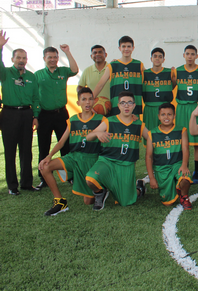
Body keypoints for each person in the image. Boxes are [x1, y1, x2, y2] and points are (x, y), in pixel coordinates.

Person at [38, 87, 106, 215]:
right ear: (78, 103)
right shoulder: (73, 120)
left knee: (88, 201)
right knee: (45, 167)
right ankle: (60, 202)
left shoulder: (101, 119)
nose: (87, 102)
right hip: (73, 157)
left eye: (90, 99)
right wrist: (49, 156)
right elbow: (61, 142)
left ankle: (101, 188)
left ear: (94, 101)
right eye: (84, 99)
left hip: (91, 159)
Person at [85, 91, 149, 210]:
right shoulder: (109, 121)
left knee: (126, 202)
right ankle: (101, 192)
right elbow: (88, 137)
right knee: (90, 179)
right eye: (123, 103)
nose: (126, 106)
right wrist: (97, 133)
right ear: (118, 105)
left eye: (129, 103)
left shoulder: (138, 124)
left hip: (126, 165)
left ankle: (139, 189)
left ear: (134, 105)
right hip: (107, 161)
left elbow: (151, 139)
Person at [0, 30, 40, 195]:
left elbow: (36, 98)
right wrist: (1, 48)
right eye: (18, 57)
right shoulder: (5, 74)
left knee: (26, 150)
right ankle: (12, 186)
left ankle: (27, 183)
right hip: (9, 114)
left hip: (26, 115)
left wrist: (35, 116)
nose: (21, 60)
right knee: (10, 151)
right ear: (12, 59)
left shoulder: (31, 76)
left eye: (24, 58)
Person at [34, 45, 79, 189]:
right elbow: (34, 97)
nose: (52, 60)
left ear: (58, 58)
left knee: (66, 145)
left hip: (61, 114)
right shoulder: (37, 75)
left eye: (55, 57)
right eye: (49, 57)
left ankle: (69, 176)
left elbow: (75, 70)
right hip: (44, 115)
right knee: (44, 146)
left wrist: (67, 52)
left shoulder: (63, 71)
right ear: (44, 59)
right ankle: (44, 178)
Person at [145, 103, 192, 210]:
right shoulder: (152, 133)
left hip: (177, 164)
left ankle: (184, 196)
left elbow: (185, 149)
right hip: (161, 168)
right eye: (163, 114)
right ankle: (175, 186)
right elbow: (148, 157)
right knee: (168, 203)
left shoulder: (181, 130)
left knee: (185, 178)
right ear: (158, 116)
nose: (166, 117)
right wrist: (151, 178)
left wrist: (184, 165)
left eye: (169, 114)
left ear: (174, 116)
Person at [174, 45, 198, 181]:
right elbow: (170, 85)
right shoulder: (177, 71)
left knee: (197, 142)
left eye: (192, 54)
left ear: (196, 56)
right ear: (183, 55)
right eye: (187, 54)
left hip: (196, 106)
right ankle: (184, 168)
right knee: (183, 140)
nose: (190, 56)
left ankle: (197, 172)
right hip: (182, 107)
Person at [92, 36, 144, 117]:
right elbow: (100, 84)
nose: (126, 49)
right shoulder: (112, 65)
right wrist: (91, 101)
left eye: (129, 46)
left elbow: (150, 78)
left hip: (134, 107)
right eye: (123, 46)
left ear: (133, 48)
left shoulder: (139, 65)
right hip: (117, 107)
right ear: (119, 48)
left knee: (135, 129)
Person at [142, 47, 176, 133]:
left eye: (160, 57)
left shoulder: (170, 72)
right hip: (150, 108)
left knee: (165, 134)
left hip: (165, 108)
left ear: (163, 60)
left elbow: (174, 85)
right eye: (155, 56)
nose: (157, 58)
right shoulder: (144, 73)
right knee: (150, 135)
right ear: (151, 59)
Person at [77, 45, 110, 115]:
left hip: (110, 109)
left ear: (105, 55)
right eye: (94, 53)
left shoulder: (112, 69)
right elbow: (80, 87)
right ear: (91, 56)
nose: (97, 54)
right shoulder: (87, 71)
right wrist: (86, 101)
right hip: (92, 110)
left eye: (100, 52)